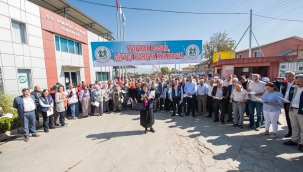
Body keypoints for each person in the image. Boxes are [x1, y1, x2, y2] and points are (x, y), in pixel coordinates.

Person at [283, 74, 303, 151]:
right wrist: (285, 100)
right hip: (292, 109)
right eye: (296, 81)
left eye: (300, 81)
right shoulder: (293, 87)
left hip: (301, 111)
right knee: (294, 126)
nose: (297, 83)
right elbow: (287, 96)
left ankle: (302, 143)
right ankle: (294, 140)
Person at [281, 71, 295, 137]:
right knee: (288, 118)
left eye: (289, 76)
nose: (287, 78)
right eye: (286, 76)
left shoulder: (297, 83)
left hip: (295, 104)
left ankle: (296, 134)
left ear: (293, 76)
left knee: (295, 120)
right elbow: (282, 92)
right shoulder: (284, 83)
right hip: (286, 103)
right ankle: (290, 132)